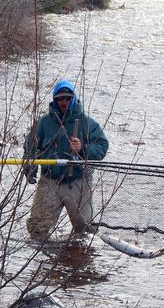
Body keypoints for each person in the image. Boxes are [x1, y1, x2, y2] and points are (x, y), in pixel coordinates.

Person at [23, 79, 109, 239]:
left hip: (77, 181)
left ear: (73, 99)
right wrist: (30, 167)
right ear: (55, 100)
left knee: (85, 232)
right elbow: (30, 146)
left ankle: (76, 257)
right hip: (49, 181)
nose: (64, 102)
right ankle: (44, 261)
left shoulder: (87, 123)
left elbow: (103, 146)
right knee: (36, 229)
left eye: (67, 98)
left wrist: (82, 148)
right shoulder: (43, 123)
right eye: (60, 99)